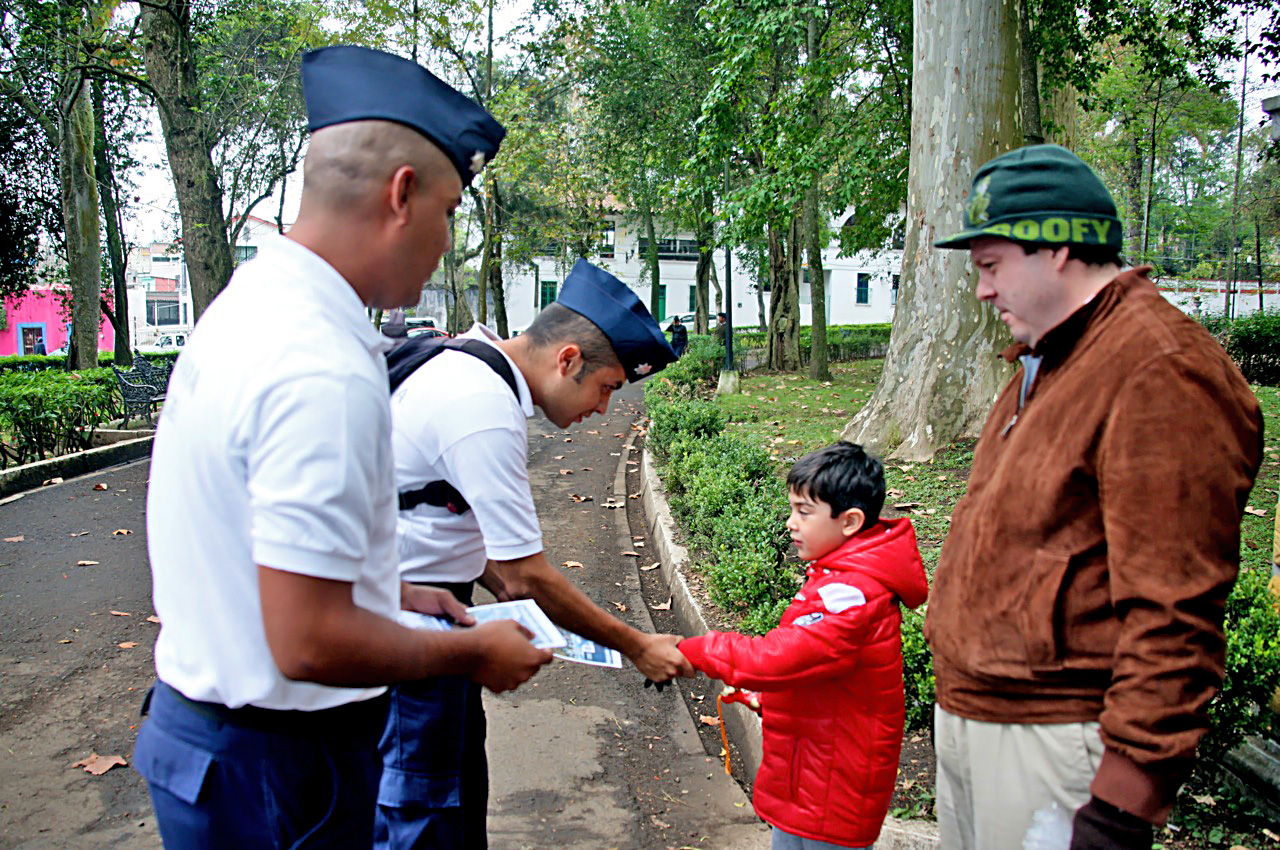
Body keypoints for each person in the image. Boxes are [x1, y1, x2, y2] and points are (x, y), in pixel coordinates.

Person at [134, 45, 553, 850]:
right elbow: (308, 640)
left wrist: (388, 590)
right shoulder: (319, 361)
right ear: (402, 195)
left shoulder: (254, 305)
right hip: (279, 774)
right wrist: (471, 653)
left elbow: (245, 540)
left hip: (215, 747)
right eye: (450, 211)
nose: (444, 243)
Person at [924, 144, 1263, 850]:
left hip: (1055, 741)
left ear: (1056, 250)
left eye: (990, 265)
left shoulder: (1160, 371)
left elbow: (1176, 610)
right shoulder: (1055, 358)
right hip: (982, 725)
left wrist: (1120, 805)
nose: (982, 290)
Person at [378, 257, 695, 849]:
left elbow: (464, 537)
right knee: (422, 817)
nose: (603, 409)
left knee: (454, 800)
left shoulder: (465, 367)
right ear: (568, 359)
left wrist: (505, 593)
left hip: (430, 623)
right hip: (406, 643)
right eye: (607, 389)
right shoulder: (482, 407)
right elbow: (526, 574)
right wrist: (638, 644)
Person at [678, 442, 928, 850]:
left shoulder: (854, 594)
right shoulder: (841, 575)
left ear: (849, 521)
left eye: (804, 512)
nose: (791, 523)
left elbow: (778, 657)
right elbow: (820, 670)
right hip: (811, 783)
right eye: (792, 508)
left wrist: (694, 650)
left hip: (831, 798)